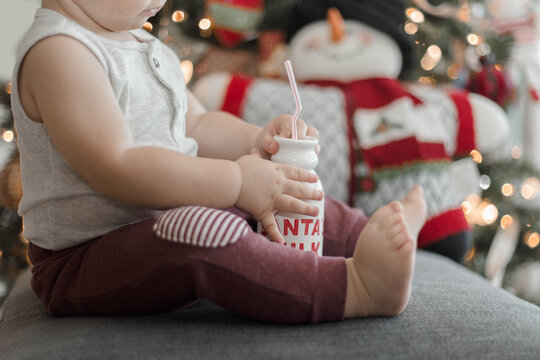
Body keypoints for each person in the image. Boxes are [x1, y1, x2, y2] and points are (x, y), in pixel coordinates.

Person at [11, 0, 427, 323]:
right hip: (86, 258)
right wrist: (236, 183)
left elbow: (198, 123)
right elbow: (116, 166)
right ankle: (353, 288)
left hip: (161, 220)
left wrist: (259, 142)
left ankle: (366, 233)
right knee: (203, 229)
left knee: (289, 189)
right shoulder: (60, 52)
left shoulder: (142, 43)